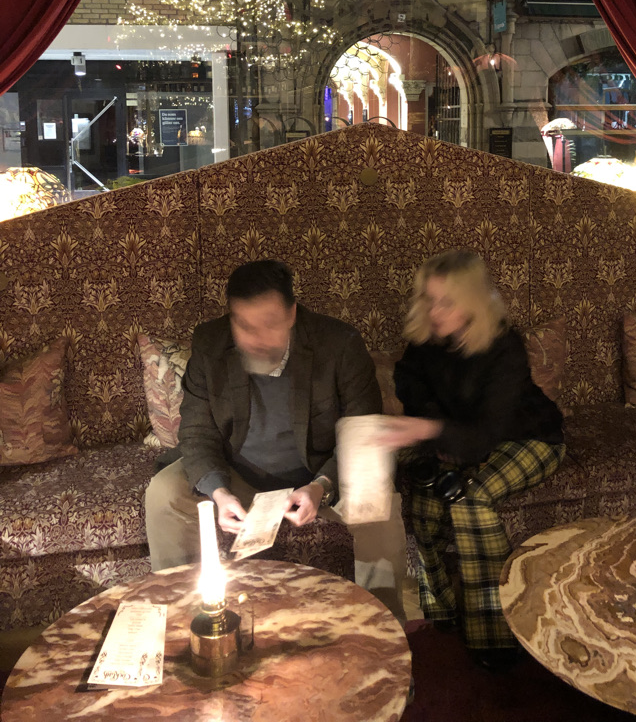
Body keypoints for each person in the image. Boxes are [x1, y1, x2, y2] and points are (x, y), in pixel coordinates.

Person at [145, 258, 408, 623]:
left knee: (378, 500)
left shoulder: (340, 344)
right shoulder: (210, 343)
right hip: (236, 473)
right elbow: (196, 431)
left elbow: (363, 434)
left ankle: (384, 626)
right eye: (244, 325)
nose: (256, 338)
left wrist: (321, 485)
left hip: (316, 476)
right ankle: (182, 620)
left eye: (269, 324)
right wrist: (219, 493)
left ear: (292, 313)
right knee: (163, 494)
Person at [380, 250, 565, 669]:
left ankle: (496, 632)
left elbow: (485, 434)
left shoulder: (504, 345)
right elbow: (411, 385)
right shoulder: (426, 340)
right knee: (425, 499)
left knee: (469, 499)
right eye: (429, 300)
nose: (434, 312)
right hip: (460, 438)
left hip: (530, 438)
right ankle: (440, 610)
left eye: (447, 302)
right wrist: (433, 429)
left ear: (473, 301)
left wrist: (430, 430)